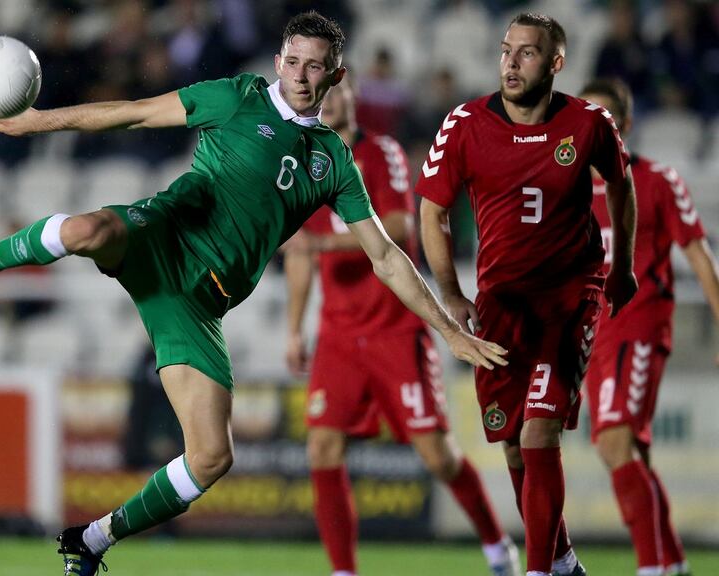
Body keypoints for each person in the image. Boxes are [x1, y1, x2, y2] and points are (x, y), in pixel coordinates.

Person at [0, 11, 507, 576]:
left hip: (199, 304)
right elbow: (133, 110)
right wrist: (38, 122)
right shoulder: (234, 98)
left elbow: (387, 256)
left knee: (211, 457)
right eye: (293, 61)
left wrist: (448, 329)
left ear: (336, 73)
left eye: (316, 66)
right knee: (88, 227)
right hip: (161, 239)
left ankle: (94, 539)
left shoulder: (332, 162)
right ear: (276, 63)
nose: (302, 74)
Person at [416, 13, 638, 576]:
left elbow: (621, 183)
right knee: (514, 442)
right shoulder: (465, 124)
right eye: (505, 51)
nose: (511, 64)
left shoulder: (589, 123)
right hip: (500, 305)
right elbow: (432, 209)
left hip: (569, 299)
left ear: (556, 63)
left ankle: (537, 570)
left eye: (528, 54)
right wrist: (449, 290)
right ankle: (561, 561)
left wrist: (623, 267)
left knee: (540, 429)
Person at [283, 79, 519, 576]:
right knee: (322, 447)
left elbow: (398, 226)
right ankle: (343, 571)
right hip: (339, 335)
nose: (332, 98)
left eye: (339, 89)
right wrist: (293, 329)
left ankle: (498, 547)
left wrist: (323, 246)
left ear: (352, 97)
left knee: (436, 455)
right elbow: (299, 256)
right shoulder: (302, 162)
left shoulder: (382, 152)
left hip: (394, 327)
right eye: (325, 92)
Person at [581, 78, 719, 576]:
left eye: (607, 119)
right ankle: (673, 561)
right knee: (628, 449)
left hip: (639, 326)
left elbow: (700, 256)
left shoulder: (657, 180)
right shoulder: (565, 188)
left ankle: (651, 566)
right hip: (591, 339)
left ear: (626, 125)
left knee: (616, 444)